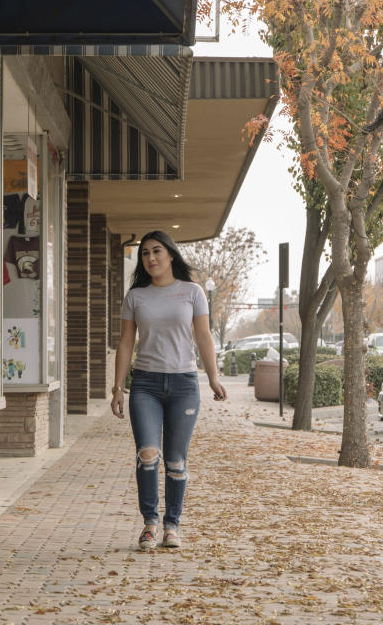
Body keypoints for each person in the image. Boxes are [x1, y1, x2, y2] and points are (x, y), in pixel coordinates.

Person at [111, 230, 226, 550]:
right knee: (147, 454)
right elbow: (125, 343)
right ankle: (150, 523)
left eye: (156, 251)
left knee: (175, 461)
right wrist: (118, 387)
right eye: (144, 253)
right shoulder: (136, 296)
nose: (150, 258)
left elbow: (203, 337)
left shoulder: (192, 292)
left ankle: (172, 525)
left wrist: (213, 377)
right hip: (145, 384)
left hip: (183, 384)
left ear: (171, 255)